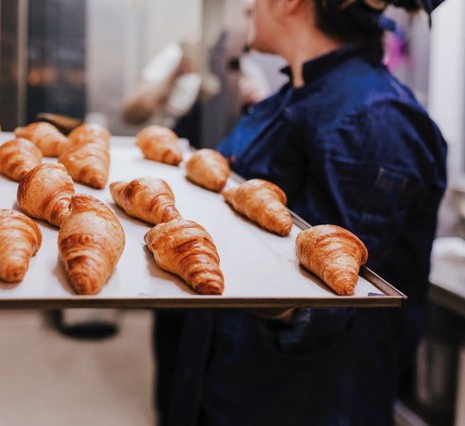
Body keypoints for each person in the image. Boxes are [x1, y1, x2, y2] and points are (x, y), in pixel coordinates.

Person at [157, 0, 448, 425]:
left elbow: (327, 307)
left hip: (297, 404)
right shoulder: (292, 98)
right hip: (228, 382)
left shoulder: (371, 119)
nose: (249, 6)